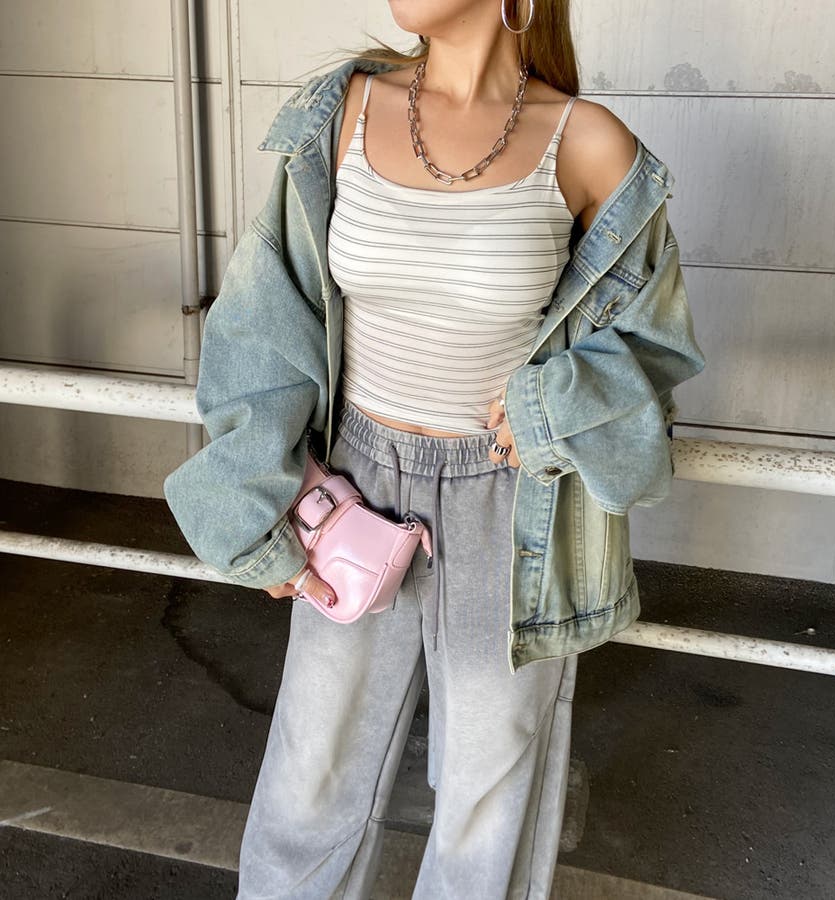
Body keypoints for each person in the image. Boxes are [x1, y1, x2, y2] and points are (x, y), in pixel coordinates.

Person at [163, 1, 706, 896]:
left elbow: (654, 350)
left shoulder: (588, 144)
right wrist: (254, 502)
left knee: (487, 799)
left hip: (514, 502)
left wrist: (551, 407)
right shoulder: (342, 111)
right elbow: (266, 317)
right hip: (353, 483)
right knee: (309, 778)